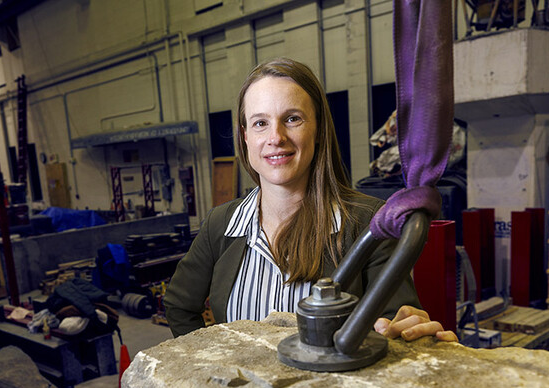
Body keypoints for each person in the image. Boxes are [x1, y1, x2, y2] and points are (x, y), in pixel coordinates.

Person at [164, 57, 456, 344]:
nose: (275, 137)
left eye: (292, 119)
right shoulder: (221, 225)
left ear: (317, 129)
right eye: (260, 123)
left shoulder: (369, 225)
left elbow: (392, 324)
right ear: (245, 137)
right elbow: (179, 305)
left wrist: (404, 331)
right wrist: (211, 362)